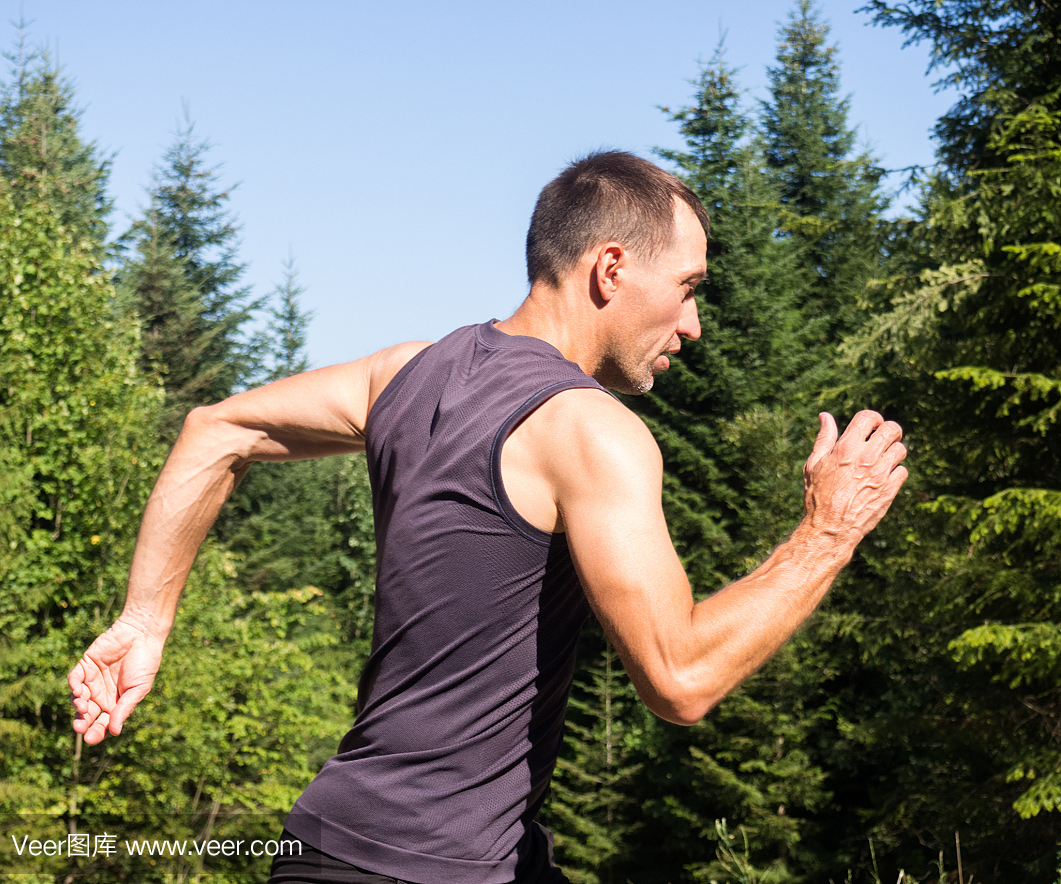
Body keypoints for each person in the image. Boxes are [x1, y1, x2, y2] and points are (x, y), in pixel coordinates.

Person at [69, 150, 907, 884]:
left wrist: (144, 621)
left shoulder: (407, 374)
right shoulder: (591, 428)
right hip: (428, 866)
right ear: (611, 268)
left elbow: (218, 428)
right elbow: (679, 679)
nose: (692, 325)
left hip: (348, 844)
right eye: (687, 289)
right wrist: (826, 534)